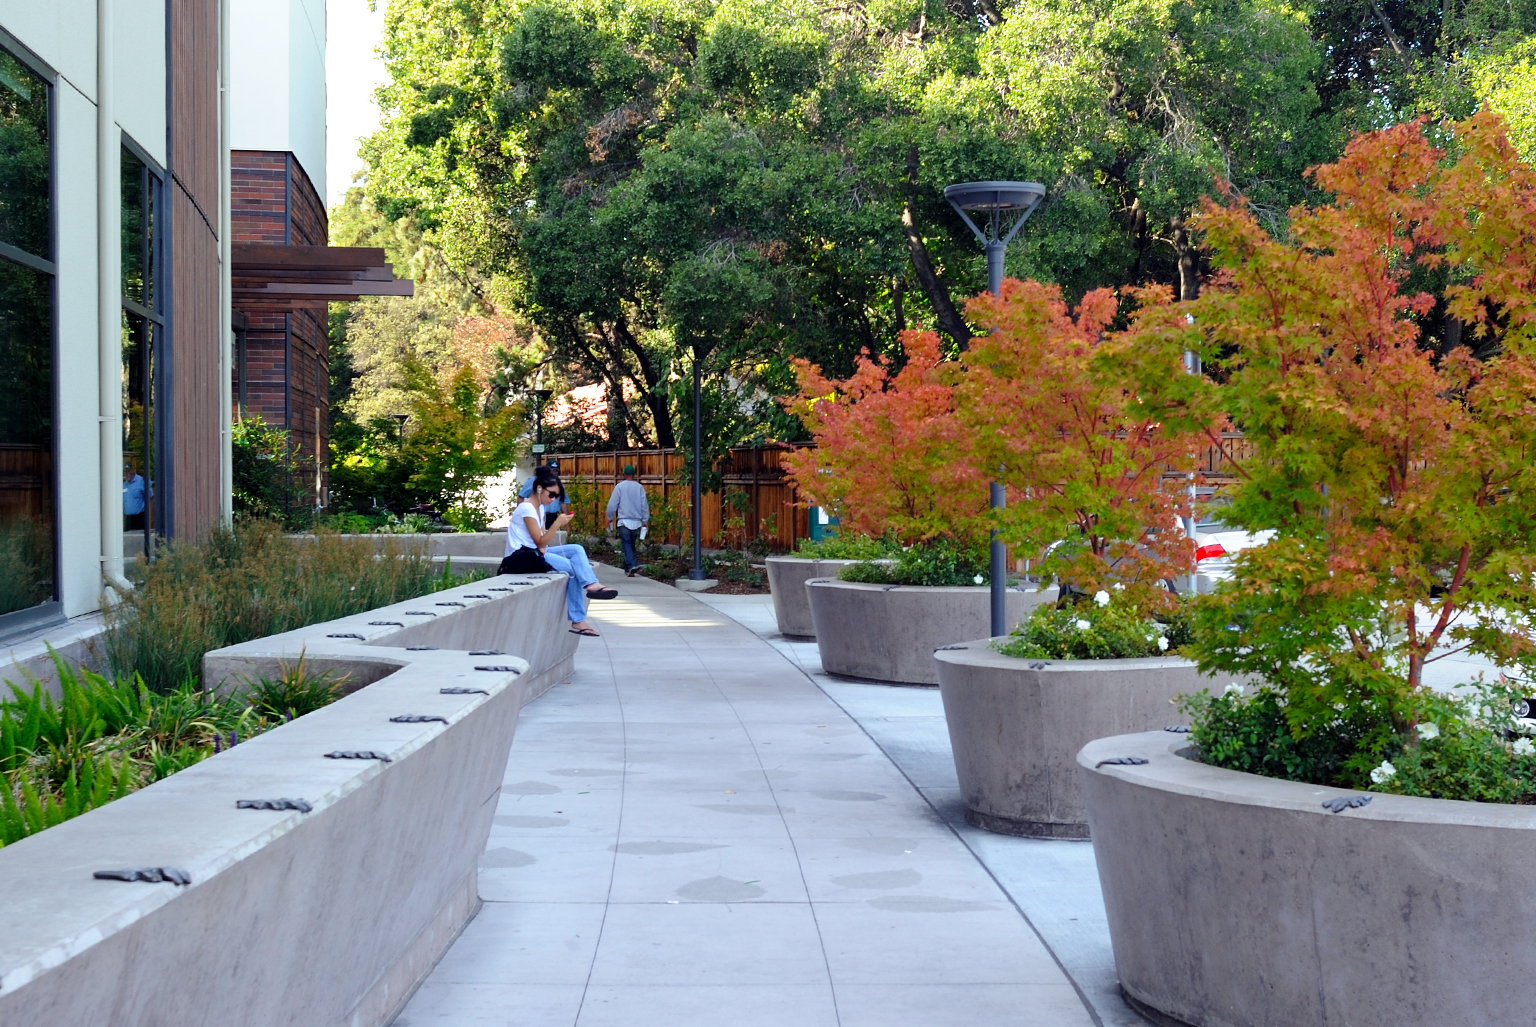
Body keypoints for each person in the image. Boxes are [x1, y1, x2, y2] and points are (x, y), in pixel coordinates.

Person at [500, 467, 616, 636]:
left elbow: (540, 543)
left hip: (534, 553)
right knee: (573, 568)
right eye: (551, 495)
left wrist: (544, 549)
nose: (553, 500)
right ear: (539, 489)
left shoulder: (539, 508)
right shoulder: (526, 509)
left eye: (556, 496)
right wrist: (557, 524)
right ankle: (578, 620)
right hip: (519, 558)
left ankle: (591, 584)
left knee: (576, 550)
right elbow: (540, 541)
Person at [605, 464, 649, 577]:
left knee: (626, 544)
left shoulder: (619, 487)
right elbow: (644, 505)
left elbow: (612, 504)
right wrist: (645, 520)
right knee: (631, 544)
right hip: (636, 521)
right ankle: (628, 568)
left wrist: (609, 518)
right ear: (634, 475)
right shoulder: (639, 487)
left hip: (624, 521)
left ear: (624, 474)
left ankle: (632, 564)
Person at [123, 462, 147, 531]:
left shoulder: (141, 481)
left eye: (128, 471)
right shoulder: (124, 485)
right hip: (128, 518)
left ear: (133, 471)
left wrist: (149, 516)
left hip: (139, 517)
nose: (127, 473)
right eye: (125, 471)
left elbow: (150, 497)